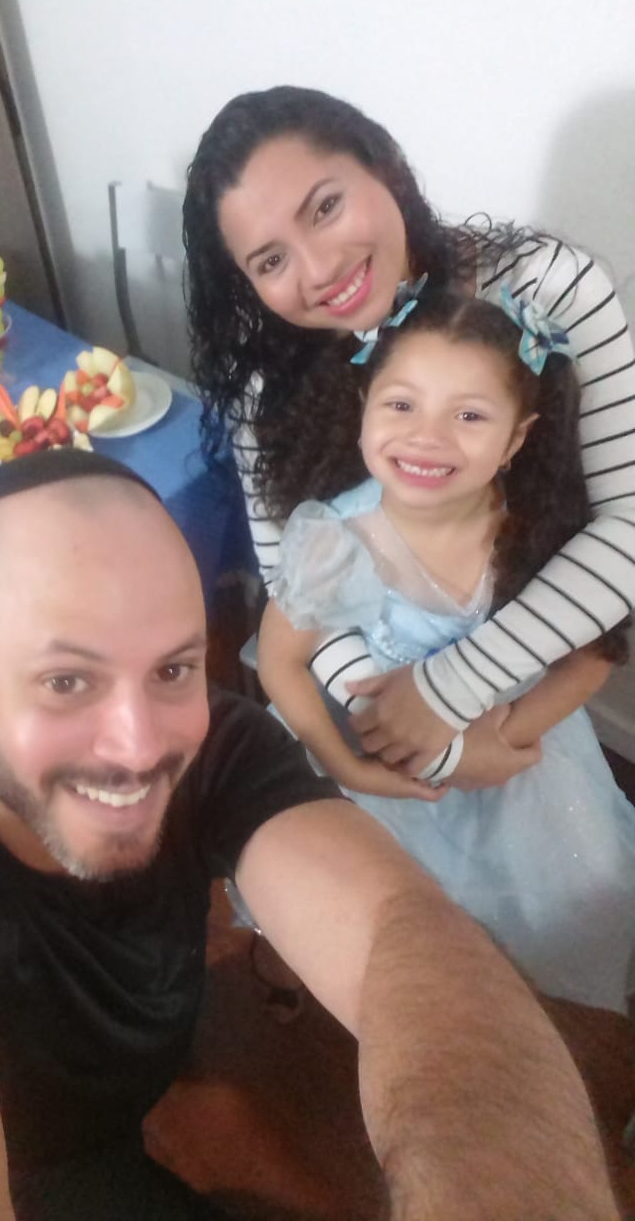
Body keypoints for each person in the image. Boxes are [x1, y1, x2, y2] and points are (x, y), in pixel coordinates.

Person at [0, 450, 620, 1221]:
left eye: (173, 668)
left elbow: (405, 934)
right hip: (35, 1171)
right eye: (65, 680)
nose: (139, 747)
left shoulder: (223, 743)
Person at [183, 85, 635, 780]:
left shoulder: (550, 289)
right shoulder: (267, 385)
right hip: (368, 711)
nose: (319, 270)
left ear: (384, 165)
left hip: (512, 690)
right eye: (270, 260)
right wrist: (422, 743)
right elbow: (289, 586)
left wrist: (452, 690)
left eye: (325, 208)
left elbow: (627, 528)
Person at [257, 288, 635, 1013]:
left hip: (521, 759)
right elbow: (280, 661)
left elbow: (591, 656)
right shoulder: (339, 538)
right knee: (387, 914)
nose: (427, 437)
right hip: (381, 771)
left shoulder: (540, 523)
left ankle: (508, 1008)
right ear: (365, 405)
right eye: (402, 404)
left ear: (516, 440)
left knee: (569, 894)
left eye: (469, 416)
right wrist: (347, 767)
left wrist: (501, 741)